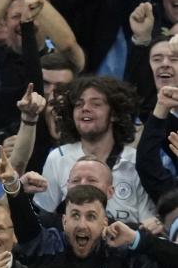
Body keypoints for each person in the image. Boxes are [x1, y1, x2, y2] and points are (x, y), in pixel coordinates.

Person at [0, 155, 178, 268]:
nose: (82, 225)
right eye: (75, 215)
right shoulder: (48, 243)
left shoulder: (123, 244)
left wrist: (138, 239)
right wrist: (13, 186)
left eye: (91, 216)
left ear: (105, 221)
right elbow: (25, 226)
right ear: (64, 220)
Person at [36, 77, 156, 226]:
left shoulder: (136, 162)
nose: (85, 108)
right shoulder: (58, 158)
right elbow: (44, 218)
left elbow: (148, 225)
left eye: (96, 104)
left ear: (114, 114)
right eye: (79, 104)